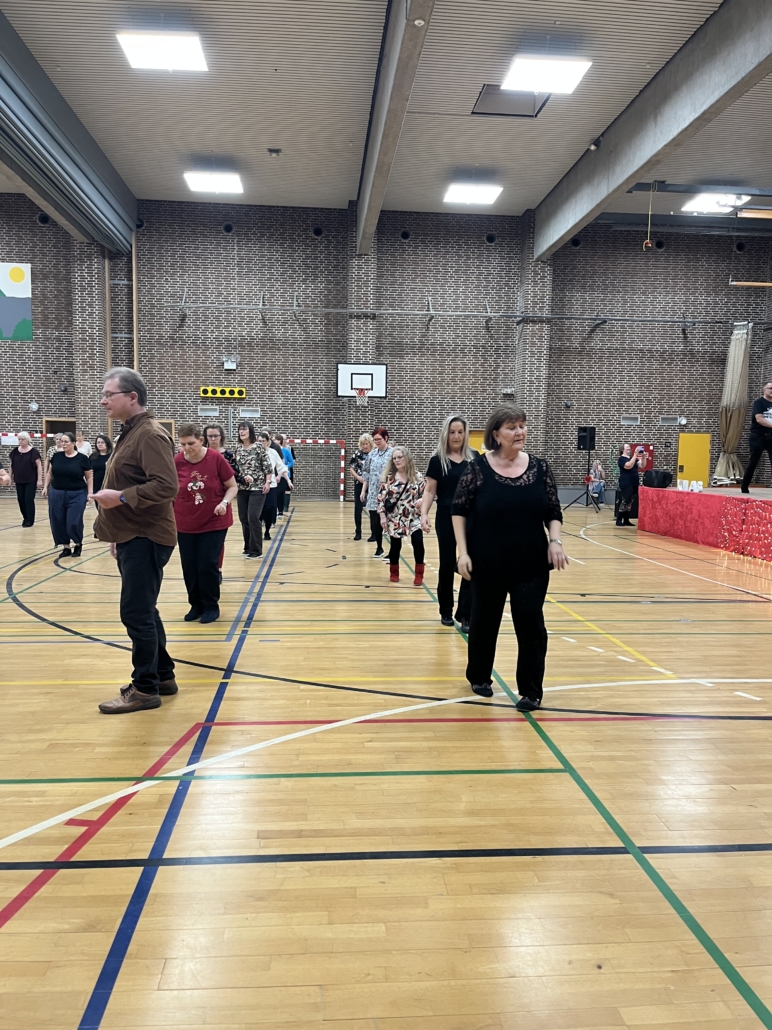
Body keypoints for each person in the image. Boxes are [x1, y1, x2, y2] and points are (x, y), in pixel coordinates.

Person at [451, 405, 567, 710]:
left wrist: (555, 541)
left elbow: (553, 510)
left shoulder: (540, 468)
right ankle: (479, 676)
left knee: (531, 625)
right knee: (484, 622)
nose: (519, 432)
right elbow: (458, 511)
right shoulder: (477, 469)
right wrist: (462, 553)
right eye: (512, 427)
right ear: (496, 434)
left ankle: (531, 690)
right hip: (487, 561)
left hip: (531, 563)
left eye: (522, 426)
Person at [91, 367, 180, 714]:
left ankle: (144, 689)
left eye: (108, 394)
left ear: (132, 397)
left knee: (136, 612)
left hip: (147, 535)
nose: (103, 401)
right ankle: (162, 676)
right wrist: (116, 532)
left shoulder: (150, 434)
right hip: (133, 534)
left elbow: (166, 486)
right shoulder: (131, 432)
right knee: (145, 609)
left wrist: (120, 498)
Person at [174, 424, 238, 624]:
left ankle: (211, 606)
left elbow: (232, 486)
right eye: (183, 444)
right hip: (185, 521)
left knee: (207, 564)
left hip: (214, 520)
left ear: (201, 440)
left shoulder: (216, 458)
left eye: (191, 443)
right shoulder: (177, 461)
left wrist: (224, 503)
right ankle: (196, 605)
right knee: (189, 566)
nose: (187, 448)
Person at [420, 415, 478, 630]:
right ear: (446, 434)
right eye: (452, 432)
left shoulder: (475, 458)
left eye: (460, 432)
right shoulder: (437, 460)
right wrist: (424, 514)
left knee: (470, 563)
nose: (456, 436)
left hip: (470, 518)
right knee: (446, 564)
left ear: (465, 434)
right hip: (446, 517)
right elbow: (429, 491)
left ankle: (465, 614)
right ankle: (445, 609)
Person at [377, 445, 425, 584]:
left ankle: (419, 574)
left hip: (413, 516)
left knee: (418, 542)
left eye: (400, 457)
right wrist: (382, 516)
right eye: (394, 458)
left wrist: (422, 500)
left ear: (407, 458)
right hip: (395, 517)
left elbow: (426, 494)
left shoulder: (417, 476)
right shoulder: (389, 478)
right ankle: (394, 572)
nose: (397, 460)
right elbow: (380, 499)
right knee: (395, 546)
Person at [42, 432, 92, 557]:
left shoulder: (82, 458)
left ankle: (78, 544)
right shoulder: (56, 456)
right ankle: (65, 547)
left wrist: (90, 493)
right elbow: (50, 473)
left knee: (73, 521)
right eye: (61, 441)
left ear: (73, 443)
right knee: (58, 520)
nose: (62, 444)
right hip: (57, 493)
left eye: (66, 441)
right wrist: (45, 487)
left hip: (77, 494)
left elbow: (89, 477)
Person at [233, 421, 272, 559]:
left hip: (258, 487)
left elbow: (267, 467)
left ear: (250, 431)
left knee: (253, 517)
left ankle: (256, 550)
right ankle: (248, 547)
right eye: (240, 429)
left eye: (244, 429)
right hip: (242, 488)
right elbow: (235, 468)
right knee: (244, 518)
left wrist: (267, 482)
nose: (241, 432)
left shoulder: (258, 447)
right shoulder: (237, 449)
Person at [204, 424, 238, 580]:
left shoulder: (229, 455)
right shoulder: (200, 455)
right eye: (209, 436)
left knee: (217, 540)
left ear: (221, 437)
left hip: (221, 501)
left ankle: (217, 569)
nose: (212, 439)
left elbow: (236, 477)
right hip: (202, 502)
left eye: (215, 436)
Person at [361, 428, 393, 558]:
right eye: (375, 440)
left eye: (379, 439)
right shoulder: (372, 455)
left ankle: (393, 551)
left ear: (386, 438)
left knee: (390, 521)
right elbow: (366, 473)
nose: (377, 442)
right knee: (375, 522)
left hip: (388, 493)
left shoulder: (393, 453)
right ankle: (379, 548)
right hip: (373, 493)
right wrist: (363, 490)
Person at [258, 430, 292, 540]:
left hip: (271, 486)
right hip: (257, 486)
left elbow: (281, 467)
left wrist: (288, 480)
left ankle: (267, 531)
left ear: (268, 441)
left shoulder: (273, 452)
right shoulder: (254, 452)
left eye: (263, 441)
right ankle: (257, 532)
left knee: (269, 508)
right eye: (259, 441)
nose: (261, 443)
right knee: (258, 510)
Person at [741, 382, 772, 493]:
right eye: (770, 388)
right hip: (758, 436)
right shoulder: (759, 403)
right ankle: (744, 486)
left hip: (771, 437)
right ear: (764, 390)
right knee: (754, 461)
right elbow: (759, 419)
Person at [9, 432, 42, 527]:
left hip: (31, 480)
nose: (21, 441)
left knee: (28, 499)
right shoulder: (15, 451)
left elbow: (39, 466)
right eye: (19, 439)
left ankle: (30, 520)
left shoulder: (33, 452)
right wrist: (10, 477)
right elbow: (11, 465)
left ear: (27, 440)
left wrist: (39, 480)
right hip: (19, 479)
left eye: (23, 439)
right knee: (20, 499)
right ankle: (25, 517)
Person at [349, 433, 374, 540]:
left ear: (370, 444)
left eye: (366, 444)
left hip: (372, 483)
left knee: (372, 508)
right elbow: (351, 468)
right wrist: (358, 478)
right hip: (359, 483)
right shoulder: (357, 454)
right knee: (358, 508)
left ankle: (374, 533)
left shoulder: (374, 454)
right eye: (363, 444)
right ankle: (358, 532)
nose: (364, 446)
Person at [616, 444, 646, 526]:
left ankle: (626, 520)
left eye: (629, 447)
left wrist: (643, 457)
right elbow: (628, 466)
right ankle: (619, 519)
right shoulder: (621, 459)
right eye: (627, 447)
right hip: (626, 482)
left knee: (630, 502)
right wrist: (635, 455)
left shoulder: (633, 458)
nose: (629, 448)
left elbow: (642, 466)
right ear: (622, 449)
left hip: (634, 482)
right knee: (626, 500)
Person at [90, 433, 112, 506]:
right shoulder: (93, 456)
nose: (100, 444)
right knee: (99, 506)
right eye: (98, 442)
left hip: (109, 485)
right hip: (96, 485)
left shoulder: (112, 456)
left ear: (107, 443)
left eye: (102, 442)